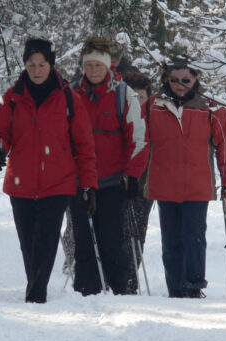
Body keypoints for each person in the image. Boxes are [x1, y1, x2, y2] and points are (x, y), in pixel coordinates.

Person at [0, 38, 98, 303]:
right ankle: (35, 289)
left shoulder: (69, 97)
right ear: (25, 66)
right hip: (21, 183)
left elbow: (85, 145)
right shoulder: (12, 98)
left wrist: (88, 184)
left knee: (45, 242)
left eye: (41, 64)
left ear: (51, 65)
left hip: (57, 183)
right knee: (28, 243)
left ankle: (36, 295)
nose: (36, 70)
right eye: (31, 64)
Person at [144, 58, 226, 298]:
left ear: (195, 79)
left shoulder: (211, 109)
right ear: (167, 80)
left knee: (194, 237)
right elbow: (140, 143)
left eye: (186, 80)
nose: (180, 84)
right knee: (171, 242)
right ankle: (175, 290)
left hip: (197, 186)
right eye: (174, 80)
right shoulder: (152, 106)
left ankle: (194, 287)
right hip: (164, 184)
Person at [68, 37, 148, 296]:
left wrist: (133, 175)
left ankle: (120, 289)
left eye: (98, 66)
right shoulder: (70, 94)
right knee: (82, 239)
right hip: (78, 179)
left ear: (107, 67)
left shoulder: (124, 94)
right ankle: (85, 290)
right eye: (88, 66)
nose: (93, 71)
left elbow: (138, 138)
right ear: (82, 67)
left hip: (112, 180)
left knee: (111, 239)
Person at [120, 70, 153, 294]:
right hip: (118, 179)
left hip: (145, 183)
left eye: (142, 97)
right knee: (118, 231)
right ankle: (119, 277)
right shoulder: (119, 113)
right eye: (133, 96)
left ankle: (131, 278)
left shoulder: (154, 116)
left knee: (137, 232)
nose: (138, 101)